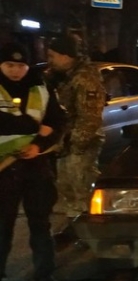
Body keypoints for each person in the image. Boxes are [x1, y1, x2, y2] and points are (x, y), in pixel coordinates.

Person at [0, 41, 67, 281]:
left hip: (35, 167)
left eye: (21, 65)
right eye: (10, 65)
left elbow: (57, 121)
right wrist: (30, 126)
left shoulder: (41, 87)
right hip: (4, 170)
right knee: (1, 229)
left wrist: (39, 144)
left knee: (41, 226)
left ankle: (45, 278)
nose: (16, 70)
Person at [45, 34, 106, 234]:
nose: (50, 60)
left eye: (53, 56)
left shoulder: (85, 78)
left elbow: (89, 117)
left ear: (66, 56)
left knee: (81, 185)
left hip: (80, 142)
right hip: (66, 142)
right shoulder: (62, 76)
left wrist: (76, 144)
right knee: (67, 186)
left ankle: (90, 230)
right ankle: (75, 225)